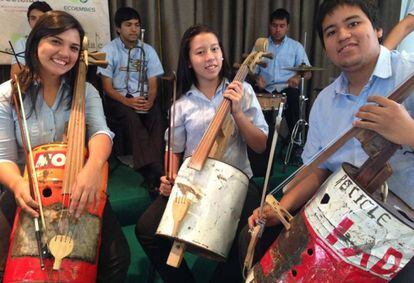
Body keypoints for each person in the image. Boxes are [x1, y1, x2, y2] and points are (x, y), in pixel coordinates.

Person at [241, 0, 414, 281]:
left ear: (377, 29)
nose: (343, 35)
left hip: (402, 234)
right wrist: (280, 207)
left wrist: (408, 133)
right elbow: (318, 168)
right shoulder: (324, 102)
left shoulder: (408, 76)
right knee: (255, 241)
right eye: (331, 32)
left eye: (353, 23)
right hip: (339, 223)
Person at [0, 11, 130, 282]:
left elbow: (101, 133)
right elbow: (4, 158)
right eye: (56, 42)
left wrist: (93, 167)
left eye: (73, 47)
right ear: (37, 43)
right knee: (8, 258)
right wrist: (16, 185)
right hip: (28, 189)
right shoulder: (8, 95)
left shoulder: (85, 90)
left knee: (116, 258)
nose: (65, 53)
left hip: (76, 188)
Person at [135, 24, 269, 282]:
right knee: (147, 229)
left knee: (249, 237)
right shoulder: (182, 104)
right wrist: (170, 177)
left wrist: (238, 112)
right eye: (200, 52)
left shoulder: (244, 92)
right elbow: (172, 149)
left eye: (214, 49)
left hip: (235, 181)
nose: (210, 57)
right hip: (193, 181)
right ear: (188, 61)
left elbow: (260, 145)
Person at [97, 7, 164, 194]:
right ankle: (152, 172)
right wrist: (127, 102)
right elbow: (107, 88)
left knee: (157, 116)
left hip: (141, 97)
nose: (134, 29)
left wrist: (150, 101)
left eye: (136, 25)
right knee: (131, 118)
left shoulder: (148, 51)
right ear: (118, 28)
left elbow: (153, 82)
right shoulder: (108, 51)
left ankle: (156, 166)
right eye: (128, 25)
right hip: (117, 100)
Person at [253, 8, 311, 138]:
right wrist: (257, 77)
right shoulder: (261, 45)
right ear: (269, 26)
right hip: (265, 88)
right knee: (251, 95)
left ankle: (294, 143)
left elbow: (308, 72)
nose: (277, 30)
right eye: (274, 26)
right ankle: (261, 144)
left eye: (281, 26)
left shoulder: (296, 47)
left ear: (287, 27)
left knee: (294, 97)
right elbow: (252, 70)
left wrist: (297, 77)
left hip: (287, 89)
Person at [10, 1, 52, 79]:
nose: (37, 22)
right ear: (29, 21)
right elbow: (15, 75)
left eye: (41, 18)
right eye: (33, 18)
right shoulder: (22, 43)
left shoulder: (58, 42)